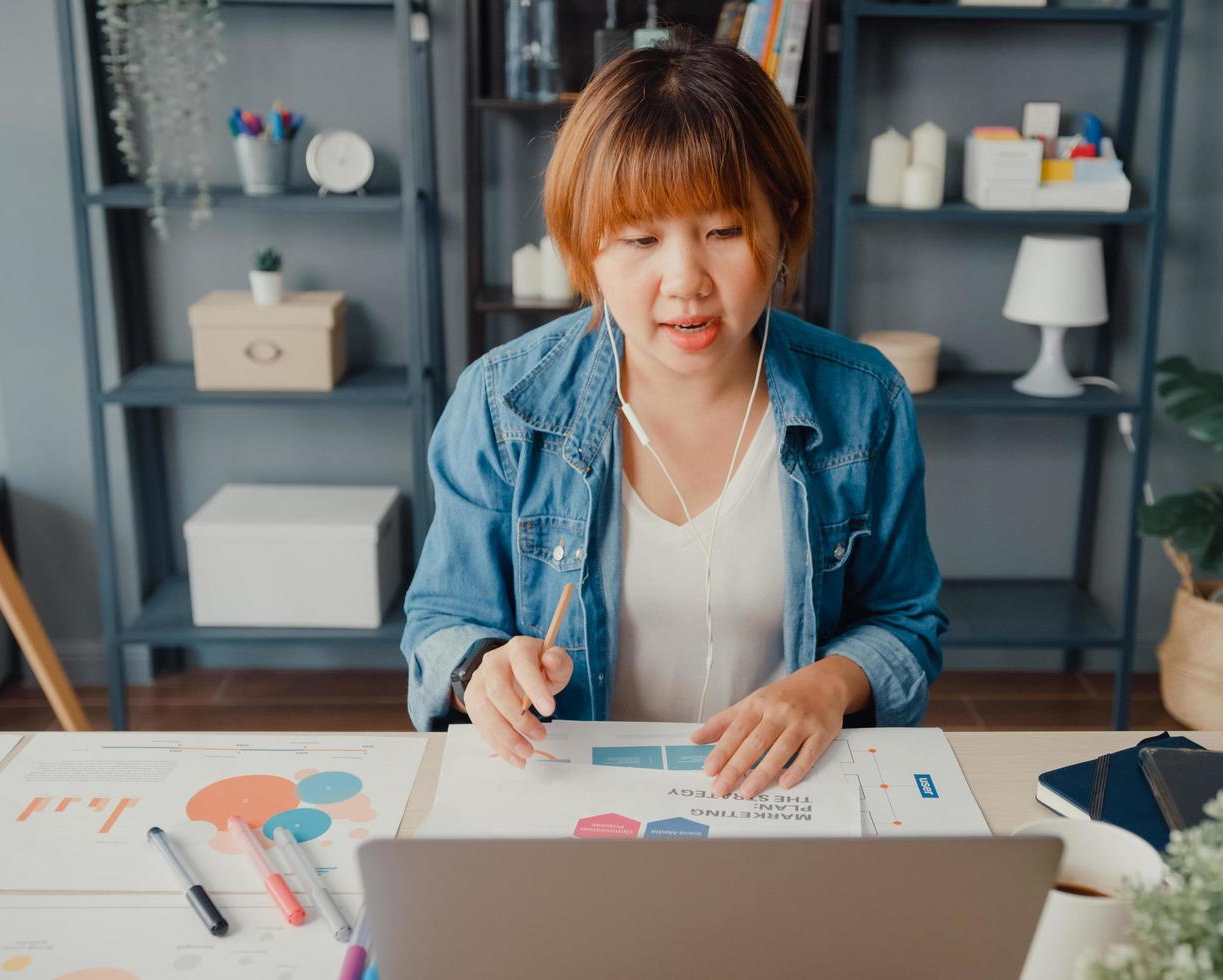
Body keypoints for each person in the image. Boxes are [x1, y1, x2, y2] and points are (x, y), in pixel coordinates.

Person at [401, 34, 944, 800]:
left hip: (782, 798)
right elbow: (440, 623)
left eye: (723, 231)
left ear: (781, 223)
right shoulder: (503, 403)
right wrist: (479, 669)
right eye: (640, 239)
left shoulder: (862, 400)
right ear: (585, 247)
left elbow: (906, 622)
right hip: (573, 798)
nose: (684, 281)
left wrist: (827, 686)